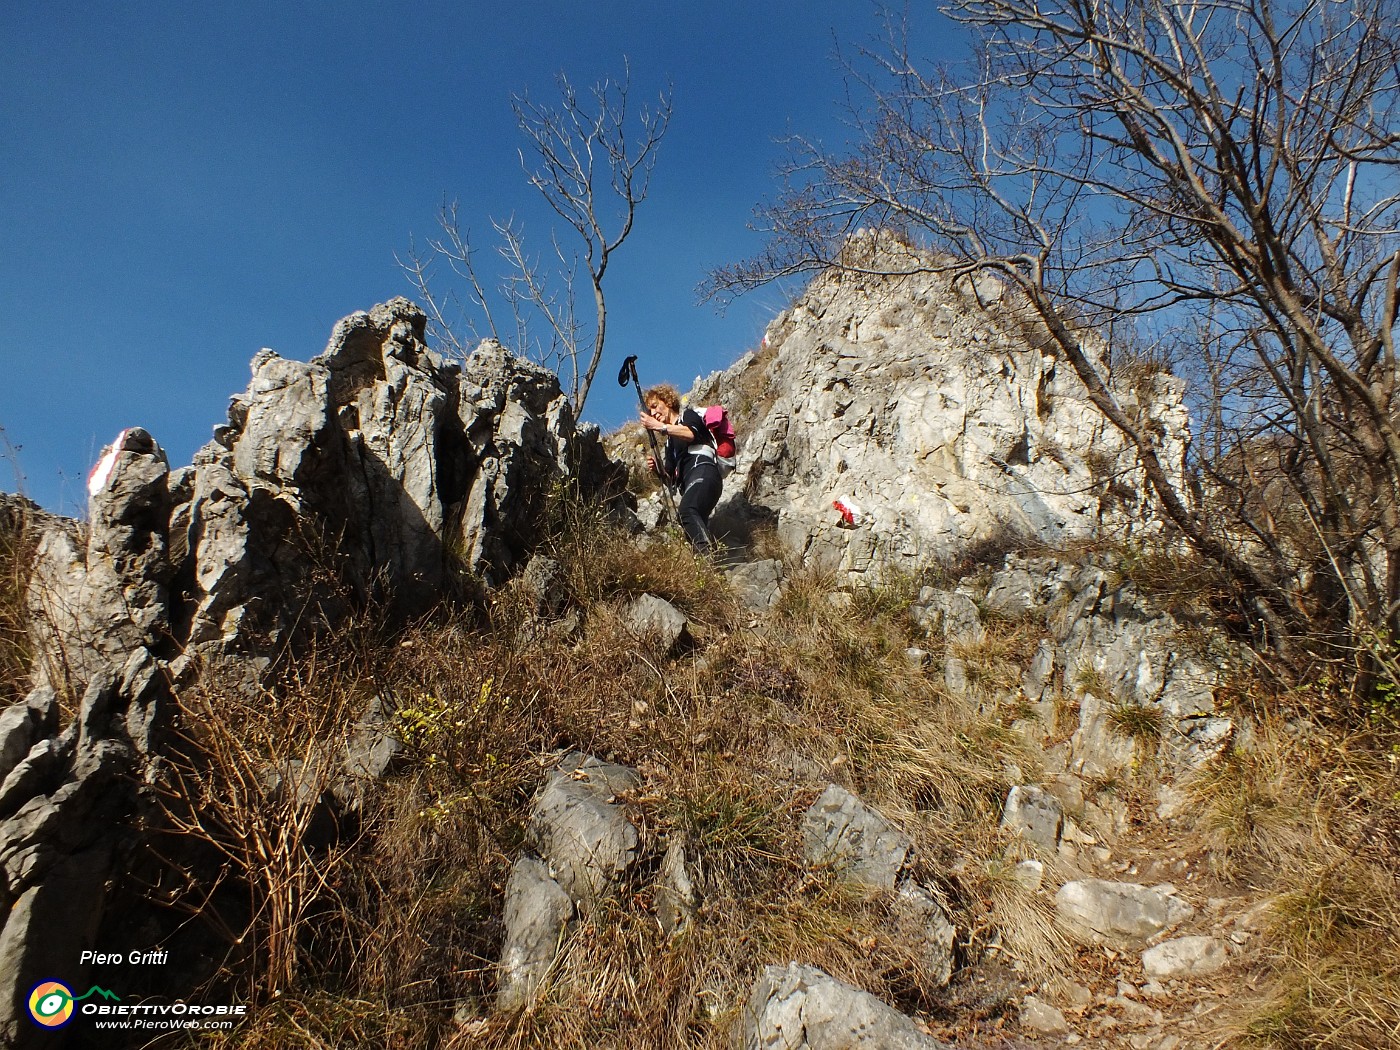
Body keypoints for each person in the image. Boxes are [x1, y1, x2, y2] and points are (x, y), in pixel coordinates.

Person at [640, 383, 721, 553]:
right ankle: (712, 568)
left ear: (668, 401)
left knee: (687, 510)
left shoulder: (687, 416)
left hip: (704, 473)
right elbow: (670, 479)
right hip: (692, 482)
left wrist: (658, 427)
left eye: (655, 406)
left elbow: (690, 434)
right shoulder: (669, 443)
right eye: (650, 412)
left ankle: (708, 558)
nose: (654, 413)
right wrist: (658, 470)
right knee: (692, 523)